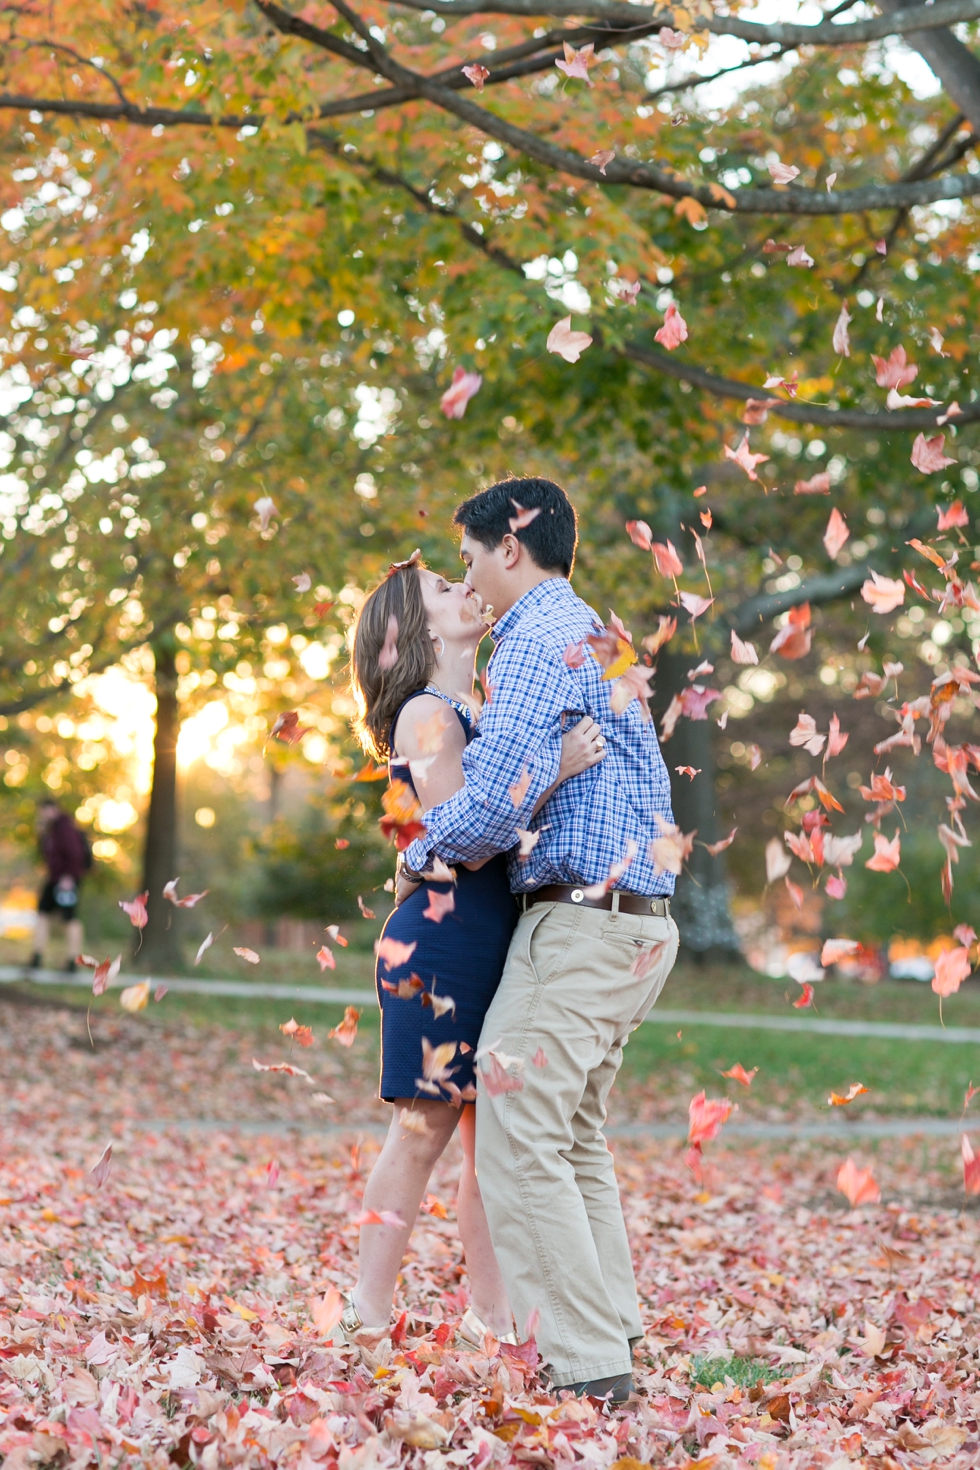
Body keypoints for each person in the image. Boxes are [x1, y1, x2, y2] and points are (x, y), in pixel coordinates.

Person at [400, 476, 679, 1402]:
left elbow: (481, 812)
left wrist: (418, 852)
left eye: (472, 554)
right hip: (636, 923)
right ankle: (614, 1335)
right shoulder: (595, 633)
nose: (469, 574)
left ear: (510, 544)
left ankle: (589, 1367)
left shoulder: (529, 648)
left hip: (583, 926)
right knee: (573, 1135)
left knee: (518, 1134)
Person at [343, 549, 605, 1360]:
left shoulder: (471, 705)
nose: (464, 587)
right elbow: (466, 838)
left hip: (488, 940)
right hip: (443, 943)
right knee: (422, 1128)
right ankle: (366, 1313)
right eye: (440, 588)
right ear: (411, 629)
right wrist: (553, 770)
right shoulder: (427, 712)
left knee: (488, 1143)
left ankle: (492, 1321)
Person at [31, 799, 92, 972]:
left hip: (66, 880)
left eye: (45, 810)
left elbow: (75, 854)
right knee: (42, 913)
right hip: (53, 878)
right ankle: (37, 955)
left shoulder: (65, 828)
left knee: (70, 918)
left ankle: (73, 960)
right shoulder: (49, 830)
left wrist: (69, 877)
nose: (43, 814)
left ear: (53, 809)